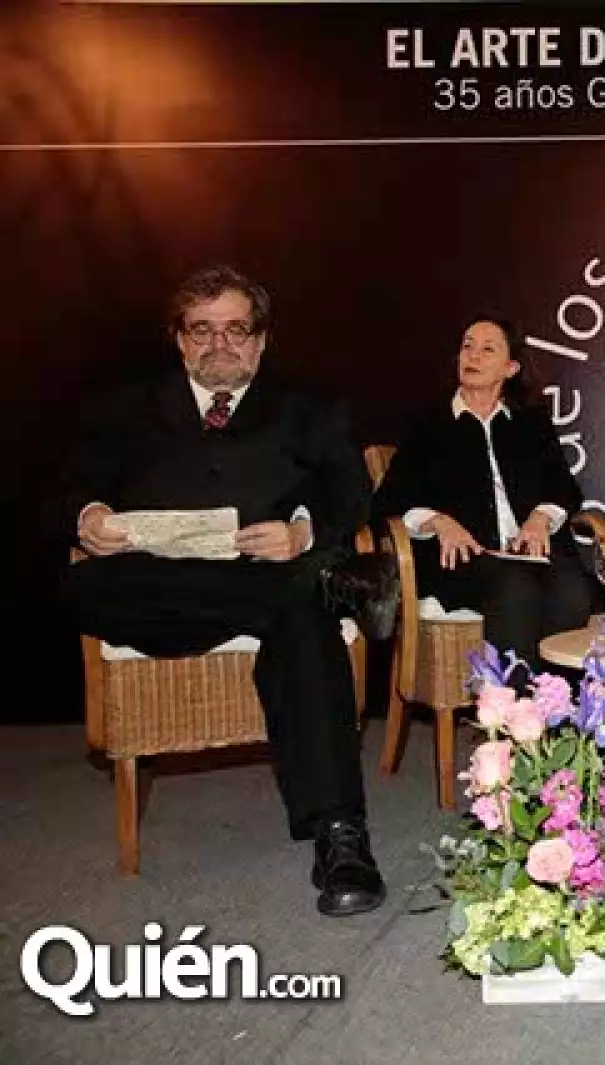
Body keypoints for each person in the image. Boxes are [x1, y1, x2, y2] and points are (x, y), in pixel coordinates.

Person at [57, 265, 385, 917]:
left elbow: (351, 491)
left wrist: (301, 532)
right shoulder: (124, 408)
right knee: (87, 584)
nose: (219, 344)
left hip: (263, 572)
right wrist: (90, 516)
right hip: (156, 587)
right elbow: (68, 485)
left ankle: (341, 835)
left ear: (261, 340)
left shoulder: (309, 410)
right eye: (202, 330)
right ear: (179, 340)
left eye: (236, 328)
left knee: (303, 612)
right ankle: (321, 588)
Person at [373, 317, 596, 672]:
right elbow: (390, 499)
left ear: (510, 368)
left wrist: (541, 517)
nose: (472, 356)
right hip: (463, 561)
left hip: (528, 554)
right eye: (467, 346)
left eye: (487, 349)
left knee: (574, 592)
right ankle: (516, 716)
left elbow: (565, 489)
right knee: (516, 589)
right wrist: (437, 521)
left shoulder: (530, 423)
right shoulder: (430, 424)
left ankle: (559, 713)